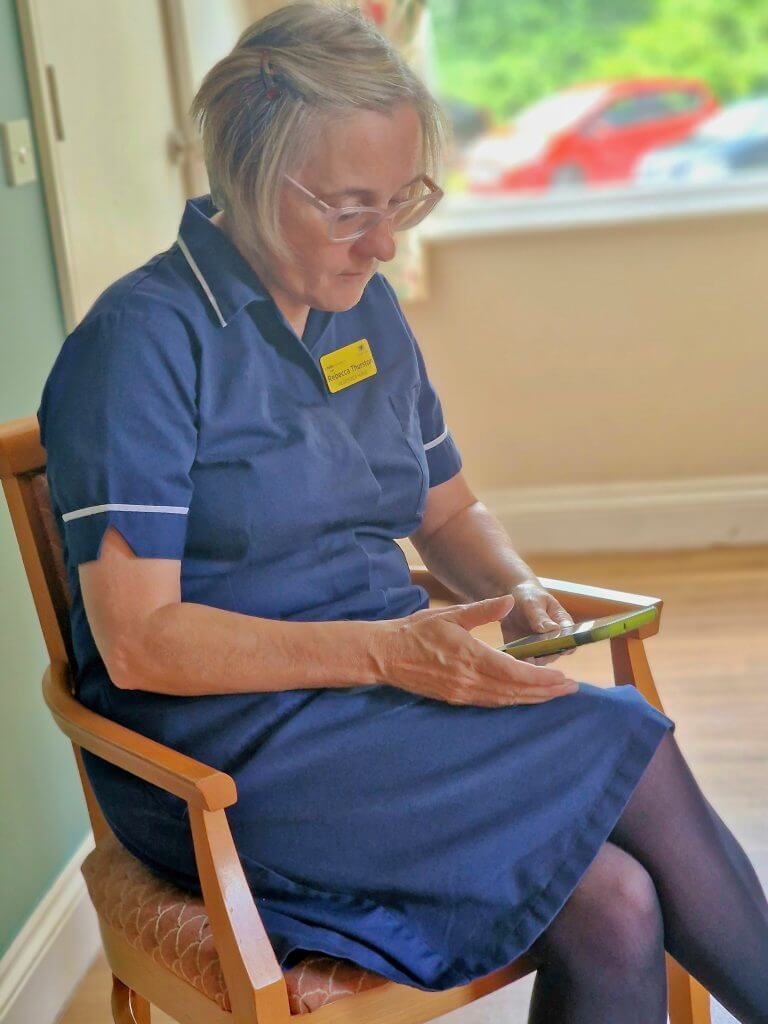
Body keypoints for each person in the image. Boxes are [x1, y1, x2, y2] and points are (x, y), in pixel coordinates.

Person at [38, 4, 768, 1021]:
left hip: (381, 722)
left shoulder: (362, 309)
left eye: (405, 200)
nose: (383, 242)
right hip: (227, 759)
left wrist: (512, 588)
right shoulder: (142, 345)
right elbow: (141, 643)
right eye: (347, 208)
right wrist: (386, 653)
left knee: (617, 901)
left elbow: (450, 507)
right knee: (624, 734)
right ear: (248, 176)